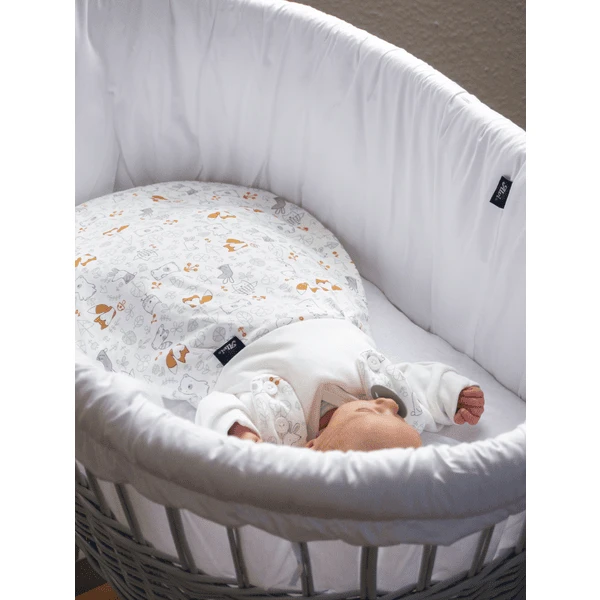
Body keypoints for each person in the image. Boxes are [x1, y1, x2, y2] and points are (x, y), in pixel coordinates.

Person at [195, 318, 485, 452]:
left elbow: (214, 404)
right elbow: (419, 383)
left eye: (368, 411)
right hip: (321, 312)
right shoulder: (384, 394)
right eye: (398, 416)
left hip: (249, 336)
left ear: (313, 445)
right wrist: (453, 395)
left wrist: (240, 433)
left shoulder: (279, 430)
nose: (389, 404)